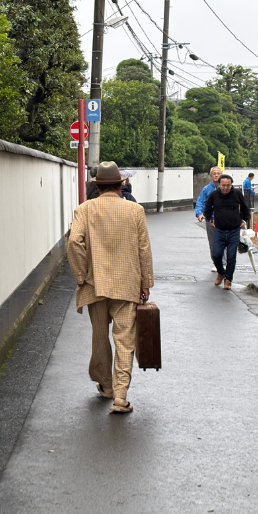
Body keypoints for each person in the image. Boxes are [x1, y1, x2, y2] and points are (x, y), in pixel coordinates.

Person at [68, 161, 154, 413]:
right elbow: (144, 250)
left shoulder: (84, 210)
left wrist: (81, 274)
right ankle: (120, 394)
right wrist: (146, 282)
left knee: (99, 337)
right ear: (120, 184)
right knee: (125, 340)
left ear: (98, 186)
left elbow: (74, 241)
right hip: (127, 283)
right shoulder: (135, 210)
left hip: (95, 284)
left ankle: (105, 385)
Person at [204, 174, 250, 291]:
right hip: (219, 230)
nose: (225, 188)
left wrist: (244, 220)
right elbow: (207, 208)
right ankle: (221, 272)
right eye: (223, 185)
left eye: (228, 185)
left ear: (231, 185)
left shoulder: (237, 194)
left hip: (234, 230)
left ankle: (228, 279)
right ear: (219, 184)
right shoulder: (214, 195)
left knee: (231, 256)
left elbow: (245, 208)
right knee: (216, 254)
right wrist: (210, 219)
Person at [196, 167, 222, 272]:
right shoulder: (206, 189)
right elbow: (200, 202)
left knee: (224, 241)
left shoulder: (226, 188)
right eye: (214, 174)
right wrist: (199, 214)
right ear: (211, 176)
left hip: (224, 220)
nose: (216, 175)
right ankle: (216, 263)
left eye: (218, 173)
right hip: (211, 219)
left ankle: (224, 262)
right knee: (213, 242)